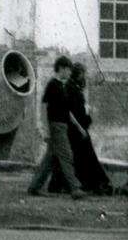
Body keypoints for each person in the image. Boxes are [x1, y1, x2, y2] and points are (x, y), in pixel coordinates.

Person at [26, 55, 83, 197]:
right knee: (66, 155)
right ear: (61, 69)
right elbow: (44, 106)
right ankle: (75, 188)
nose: (70, 73)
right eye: (68, 70)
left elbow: (66, 111)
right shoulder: (52, 85)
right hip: (56, 126)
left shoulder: (62, 86)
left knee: (50, 158)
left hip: (62, 125)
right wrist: (44, 128)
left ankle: (34, 187)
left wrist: (79, 127)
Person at [65, 60, 116, 194]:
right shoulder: (70, 87)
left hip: (79, 127)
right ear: (78, 73)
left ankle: (95, 184)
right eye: (83, 73)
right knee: (86, 156)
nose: (84, 76)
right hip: (77, 128)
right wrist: (81, 124)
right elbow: (71, 109)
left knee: (84, 156)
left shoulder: (74, 86)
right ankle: (98, 184)